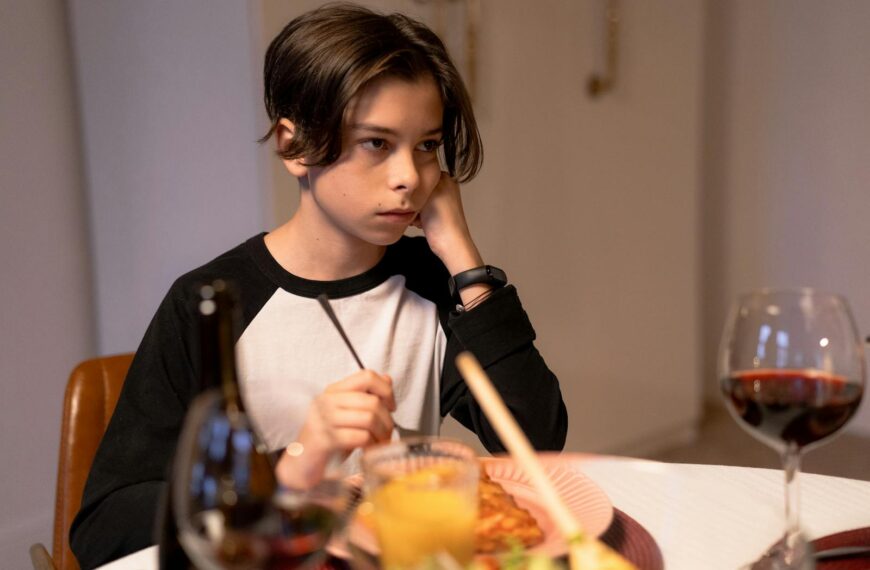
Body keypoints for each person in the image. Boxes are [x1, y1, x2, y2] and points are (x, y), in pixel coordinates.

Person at [70, 3, 568, 568]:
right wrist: (285, 472)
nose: (409, 176)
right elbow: (103, 526)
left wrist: (463, 259)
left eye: (427, 145)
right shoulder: (211, 302)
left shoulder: (432, 283)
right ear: (294, 145)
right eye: (377, 144)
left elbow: (537, 440)